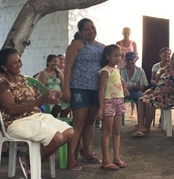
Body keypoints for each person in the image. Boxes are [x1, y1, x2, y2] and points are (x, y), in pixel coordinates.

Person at [0, 48, 73, 178]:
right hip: (14, 122)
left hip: (34, 116)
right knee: (57, 138)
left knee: (69, 132)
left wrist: (51, 96)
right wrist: (39, 100)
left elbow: (35, 97)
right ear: (4, 67)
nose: (20, 64)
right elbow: (11, 109)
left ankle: (28, 160)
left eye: (19, 60)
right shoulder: (2, 82)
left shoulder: (21, 78)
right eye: (15, 63)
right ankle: (30, 164)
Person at [63, 18, 104, 170]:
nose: (91, 31)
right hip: (79, 88)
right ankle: (71, 157)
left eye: (92, 28)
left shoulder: (101, 47)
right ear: (80, 32)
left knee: (90, 122)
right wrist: (66, 88)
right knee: (78, 122)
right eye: (87, 29)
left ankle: (86, 151)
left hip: (95, 89)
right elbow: (68, 68)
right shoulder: (76, 45)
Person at [132, 51, 174, 136]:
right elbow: (159, 72)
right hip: (160, 94)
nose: (173, 61)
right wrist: (159, 74)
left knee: (150, 103)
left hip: (171, 97)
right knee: (141, 100)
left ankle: (147, 129)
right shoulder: (168, 67)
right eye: (172, 58)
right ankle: (141, 126)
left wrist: (161, 92)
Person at [98, 44, 128, 170]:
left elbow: (120, 84)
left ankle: (116, 157)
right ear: (108, 56)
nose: (118, 58)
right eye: (115, 56)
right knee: (107, 131)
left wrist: (124, 89)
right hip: (109, 101)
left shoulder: (117, 70)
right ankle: (105, 160)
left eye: (120, 56)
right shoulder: (105, 71)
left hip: (119, 101)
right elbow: (101, 89)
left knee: (117, 131)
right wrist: (101, 107)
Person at [116, 27, 139, 119]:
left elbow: (136, 54)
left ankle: (132, 112)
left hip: (130, 65)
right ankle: (120, 111)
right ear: (122, 33)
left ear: (130, 33)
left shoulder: (133, 43)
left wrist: (132, 61)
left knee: (131, 85)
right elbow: (115, 53)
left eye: (128, 33)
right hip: (120, 66)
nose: (126, 35)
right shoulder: (118, 43)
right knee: (121, 86)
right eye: (125, 33)